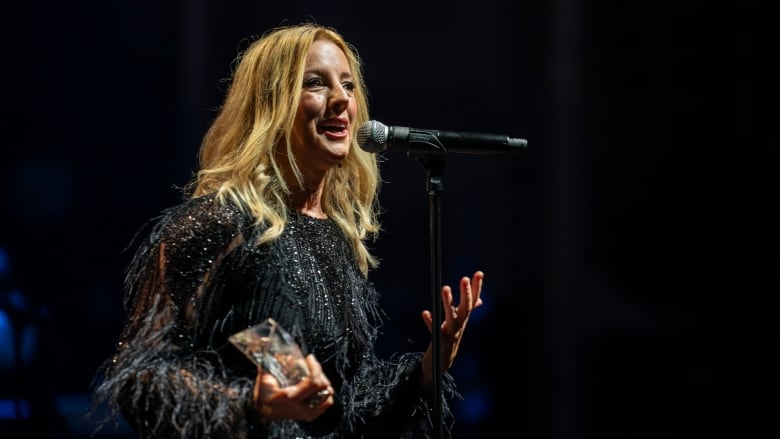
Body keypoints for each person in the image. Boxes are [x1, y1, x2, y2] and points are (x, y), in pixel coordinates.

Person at [90, 22, 484, 439]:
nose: (341, 100)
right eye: (315, 84)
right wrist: (253, 405)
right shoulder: (221, 223)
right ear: (271, 105)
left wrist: (428, 367)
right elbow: (140, 378)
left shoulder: (333, 237)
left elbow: (336, 414)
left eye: (348, 86)